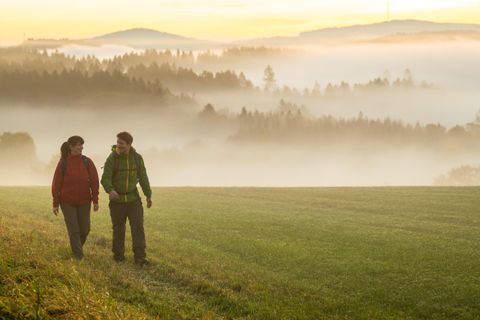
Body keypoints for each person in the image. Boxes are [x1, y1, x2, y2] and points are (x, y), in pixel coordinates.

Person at [101, 131, 152, 265]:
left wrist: (148, 195)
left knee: (138, 227)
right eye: (117, 142)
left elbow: (143, 177)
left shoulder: (137, 158)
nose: (118, 145)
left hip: (133, 199)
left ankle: (140, 257)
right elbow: (105, 178)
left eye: (121, 143)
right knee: (118, 228)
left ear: (129, 144)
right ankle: (118, 256)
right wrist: (110, 190)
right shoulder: (112, 158)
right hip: (117, 201)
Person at [51, 135, 99, 260]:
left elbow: (94, 181)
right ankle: (78, 255)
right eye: (78, 144)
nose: (81, 147)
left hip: (84, 201)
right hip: (67, 202)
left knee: (85, 229)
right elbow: (56, 184)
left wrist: (95, 200)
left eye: (82, 144)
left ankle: (77, 247)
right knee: (74, 230)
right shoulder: (63, 163)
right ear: (71, 146)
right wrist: (55, 203)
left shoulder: (87, 162)